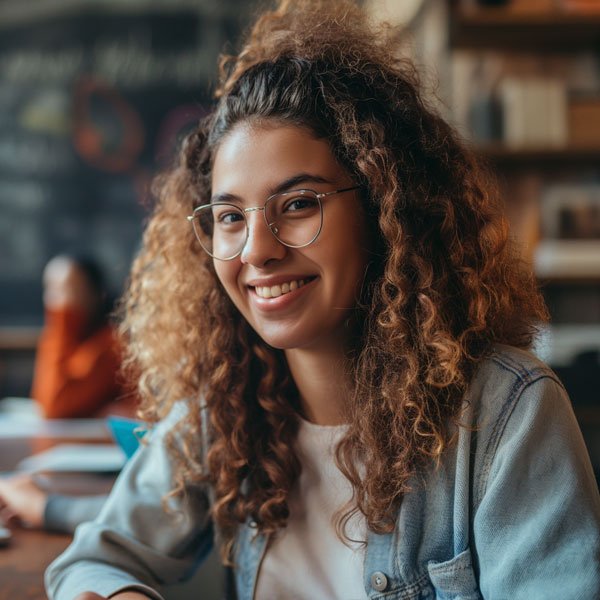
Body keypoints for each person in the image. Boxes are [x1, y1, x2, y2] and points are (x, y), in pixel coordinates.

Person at [45, 1, 600, 598]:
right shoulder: (227, 409)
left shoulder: (507, 414)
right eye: (230, 216)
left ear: (387, 213)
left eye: (299, 204)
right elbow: (96, 559)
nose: (256, 250)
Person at [31, 255, 134, 419]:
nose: (54, 301)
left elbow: (55, 404)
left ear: (93, 294)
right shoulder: (58, 340)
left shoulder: (110, 344)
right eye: (50, 289)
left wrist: (60, 326)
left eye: (66, 290)